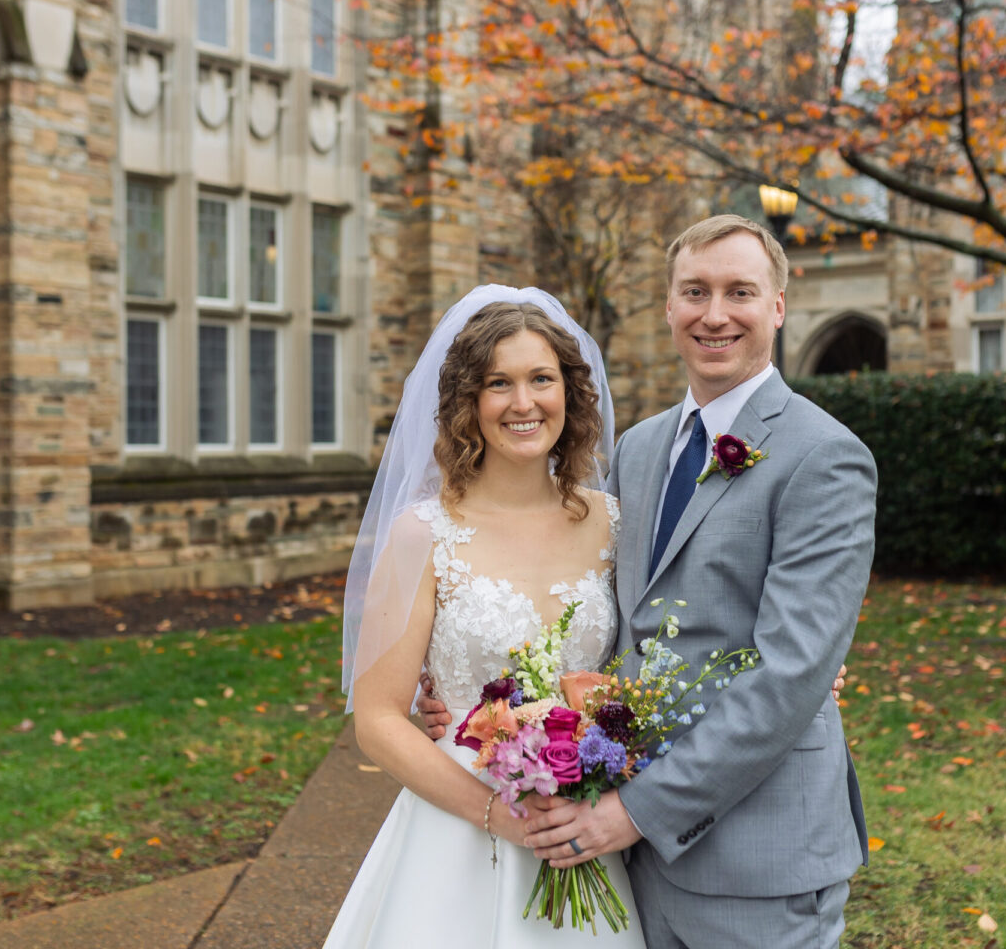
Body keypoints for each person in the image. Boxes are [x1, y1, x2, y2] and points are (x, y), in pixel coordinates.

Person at [420, 215, 874, 949]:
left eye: (740, 292)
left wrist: (632, 813)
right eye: (694, 291)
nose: (714, 313)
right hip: (628, 858)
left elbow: (790, 671)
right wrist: (482, 701)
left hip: (755, 854)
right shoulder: (642, 447)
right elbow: (618, 626)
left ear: (778, 306)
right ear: (669, 307)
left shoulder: (824, 455)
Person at [323, 288, 646, 947]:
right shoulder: (424, 534)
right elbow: (379, 719)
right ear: (468, 402)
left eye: (541, 380)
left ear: (570, 393)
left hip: (584, 824)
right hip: (458, 829)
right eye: (499, 383)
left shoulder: (616, 524)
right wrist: (497, 814)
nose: (523, 403)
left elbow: (663, 653)